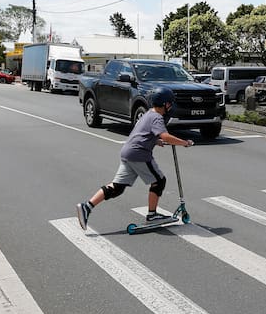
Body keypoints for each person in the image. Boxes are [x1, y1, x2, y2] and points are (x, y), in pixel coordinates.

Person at [76, 87, 194, 229]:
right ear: (164, 104)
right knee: (159, 180)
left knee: (116, 187)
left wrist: (154, 141)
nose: (170, 106)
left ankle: (86, 207)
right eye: (169, 103)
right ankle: (152, 215)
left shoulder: (148, 114)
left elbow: (141, 132)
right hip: (139, 154)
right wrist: (184, 143)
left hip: (128, 152)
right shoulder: (157, 117)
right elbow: (165, 135)